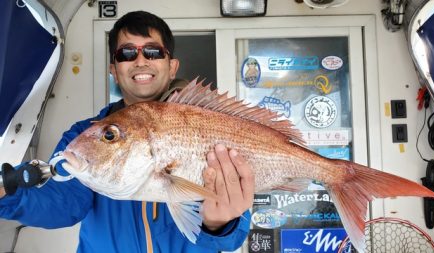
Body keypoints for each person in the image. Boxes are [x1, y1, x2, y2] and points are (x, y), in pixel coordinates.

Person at [0, 11, 255, 253]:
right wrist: (4, 193)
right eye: (127, 53)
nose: (140, 61)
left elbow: (232, 236)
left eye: (153, 52)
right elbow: (62, 205)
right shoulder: (85, 135)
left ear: (172, 66)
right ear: (114, 69)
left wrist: (219, 224)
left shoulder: (211, 123)